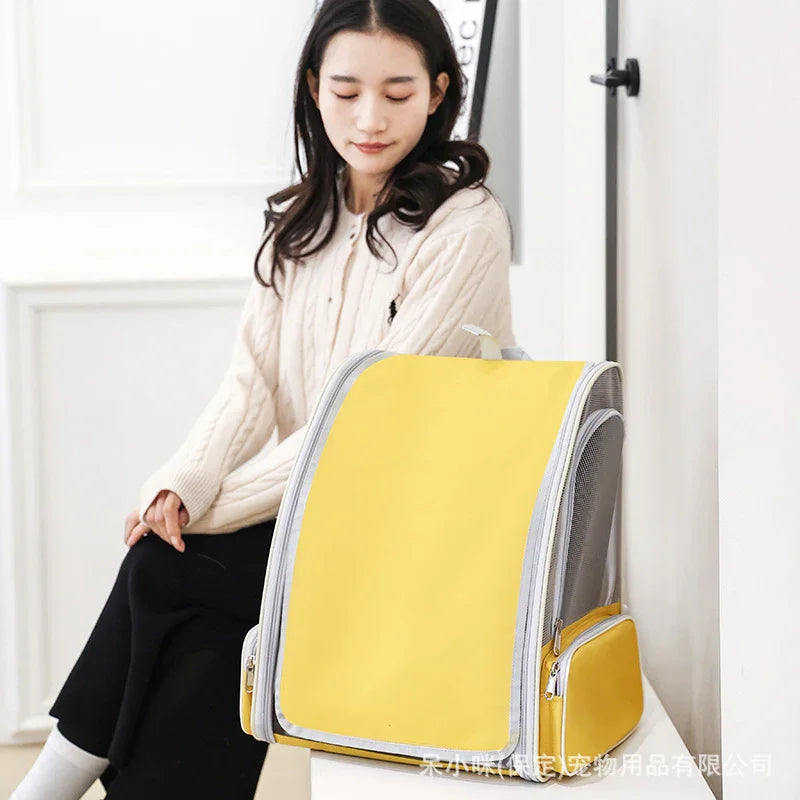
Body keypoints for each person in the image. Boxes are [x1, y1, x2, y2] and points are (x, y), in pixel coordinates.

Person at [10, 0, 516, 797]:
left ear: (438, 92)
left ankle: (43, 788)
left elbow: (368, 420)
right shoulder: (301, 223)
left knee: (165, 569)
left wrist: (213, 509)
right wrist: (181, 485)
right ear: (314, 88)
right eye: (346, 91)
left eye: (398, 92)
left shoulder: (465, 226)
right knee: (196, 621)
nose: (370, 118)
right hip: (315, 518)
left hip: (409, 530)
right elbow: (250, 385)